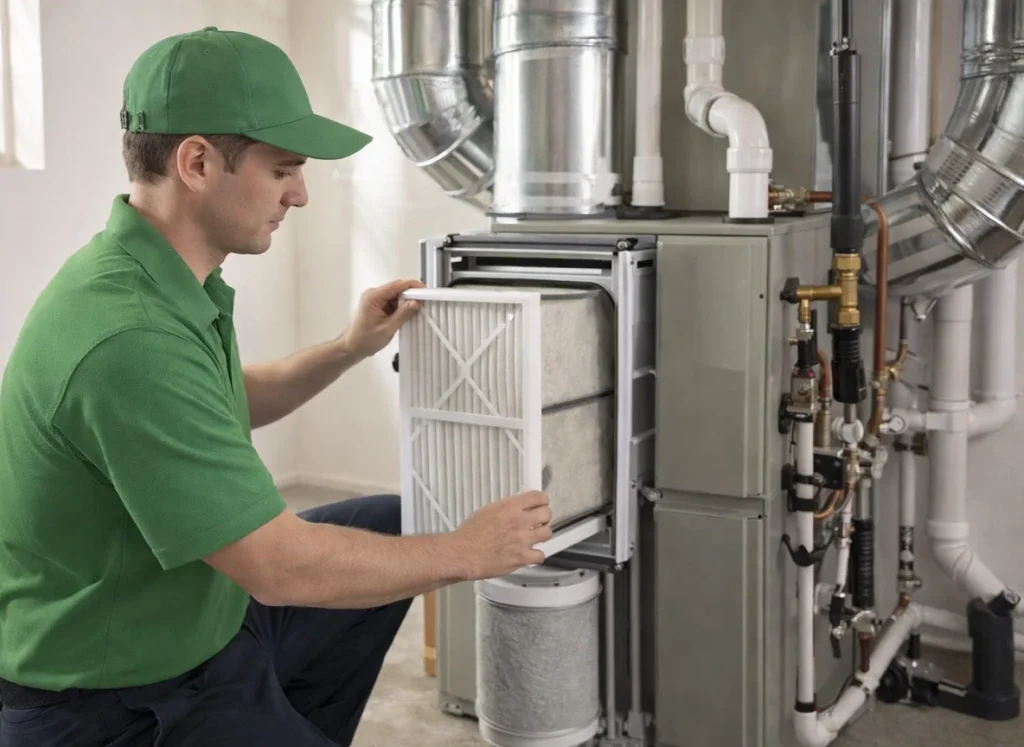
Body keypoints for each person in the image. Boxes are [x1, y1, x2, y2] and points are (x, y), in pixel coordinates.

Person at [0, 26, 552, 746]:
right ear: (198, 162)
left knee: (390, 522)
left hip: (202, 622)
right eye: (284, 169)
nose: (301, 195)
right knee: (388, 552)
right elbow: (278, 566)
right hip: (117, 701)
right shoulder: (130, 337)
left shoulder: (154, 276)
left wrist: (349, 349)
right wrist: (468, 550)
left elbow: (230, 397)